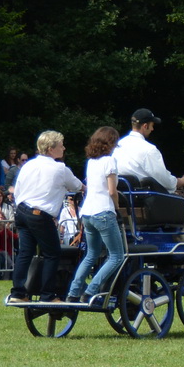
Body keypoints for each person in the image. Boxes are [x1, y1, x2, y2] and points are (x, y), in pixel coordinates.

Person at [112, 109, 184, 244]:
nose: (152, 129)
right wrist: (181, 181)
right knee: (183, 204)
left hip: (125, 201)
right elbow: (164, 180)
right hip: (148, 203)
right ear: (145, 126)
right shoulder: (148, 149)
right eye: (152, 125)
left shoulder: (117, 147)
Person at [9, 130, 84, 302]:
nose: (64, 148)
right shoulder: (60, 168)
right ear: (51, 148)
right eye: (61, 145)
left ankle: (18, 293)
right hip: (39, 215)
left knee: (25, 253)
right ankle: (47, 295)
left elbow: (18, 190)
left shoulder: (28, 165)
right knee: (52, 253)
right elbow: (77, 185)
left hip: (22, 211)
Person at [67, 127, 126, 304]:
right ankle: (92, 290)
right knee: (117, 256)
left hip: (88, 213)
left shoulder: (91, 162)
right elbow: (112, 190)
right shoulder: (110, 161)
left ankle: (74, 292)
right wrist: (117, 208)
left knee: (91, 254)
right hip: (103, 211)